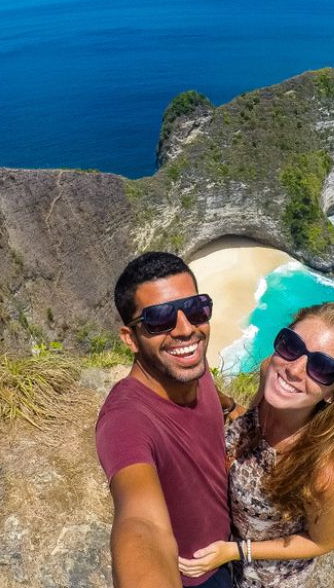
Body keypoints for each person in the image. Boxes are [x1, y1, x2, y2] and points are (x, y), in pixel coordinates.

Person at [179, 302, 334, 587]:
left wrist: (237, 551)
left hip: (263, 578)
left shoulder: (324, 470)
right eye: (291, 345)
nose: (294, 369)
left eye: (322, 367)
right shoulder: (271, 372)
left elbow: (322, 542)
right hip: (221, 541)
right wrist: (227, 405)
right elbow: (252, 421)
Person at [95, 251, 234, 588]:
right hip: (197, 574)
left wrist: (233, 408)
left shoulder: (189, 370)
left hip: (230, 545)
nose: (186, 330)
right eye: (160, 319)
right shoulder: (125, 420)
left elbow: (213, 398)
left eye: (196, 309)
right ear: (131, 338)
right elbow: (142, 523)